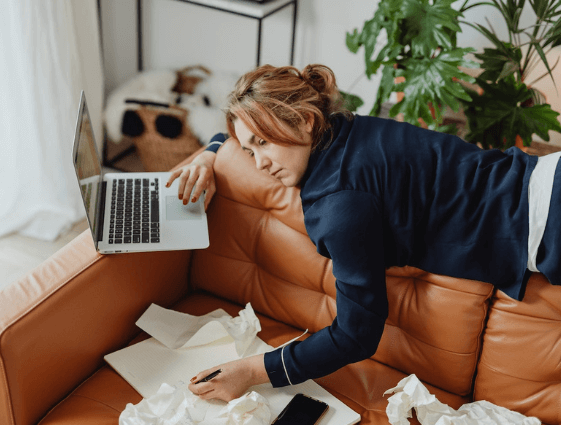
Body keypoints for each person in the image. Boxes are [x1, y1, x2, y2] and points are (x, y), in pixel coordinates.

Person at [165, 64, 561, 403]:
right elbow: (251, 124)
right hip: (543, 177)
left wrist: (253, 370)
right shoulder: (340, 128)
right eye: (250, 150)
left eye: (263, 143)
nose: (259, 163)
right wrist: (210, 151)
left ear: (303, 119)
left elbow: (356, 334)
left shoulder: (340, 205)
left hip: (549, 222)